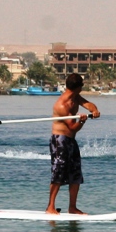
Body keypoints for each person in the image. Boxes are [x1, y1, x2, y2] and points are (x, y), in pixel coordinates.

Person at [46, 73, 100, 215]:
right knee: (58, 173)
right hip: (60, 141)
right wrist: (82, 120)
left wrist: (94, 110)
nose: (82, 87)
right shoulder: (62, 105)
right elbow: (72, 127)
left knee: (76, 174)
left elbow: (87, 104)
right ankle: (50, 207)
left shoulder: (75, 97)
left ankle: (72, 207)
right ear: (77, 87)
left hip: (71, 141)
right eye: (81, 85)